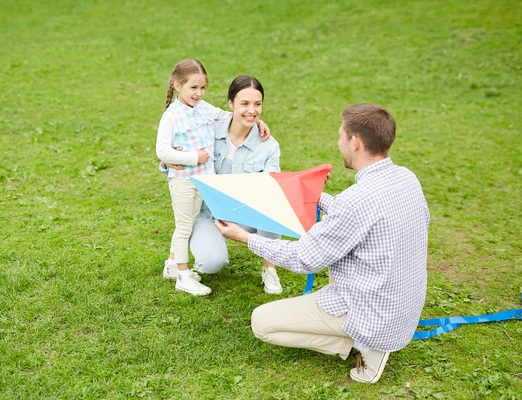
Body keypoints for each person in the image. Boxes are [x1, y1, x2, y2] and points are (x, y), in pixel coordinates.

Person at [215, 103, 430, 384]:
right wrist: (314, 194)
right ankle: (367, 341)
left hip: (369, 310)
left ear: (355, 142)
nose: (338, 142)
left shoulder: (357, 200)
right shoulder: (406, 178)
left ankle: (364, 345)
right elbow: (358, 214)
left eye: (341, 136)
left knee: (262, 322)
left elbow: (305, 258)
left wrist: (246, 237)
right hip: (403, 307)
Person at [156, 60, 270, 296]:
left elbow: (229, 115)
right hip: (184, 181)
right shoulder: (172, 116)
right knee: (184, 227)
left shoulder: (204, 108)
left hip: (202, 182)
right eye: (193, 88)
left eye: (203, 88)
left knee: (188, 222)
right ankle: (183, 275)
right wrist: (193, 157)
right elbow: (162, 151)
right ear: (178, 86)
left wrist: (257, 120)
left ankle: (171, 266)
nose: (198, 93)